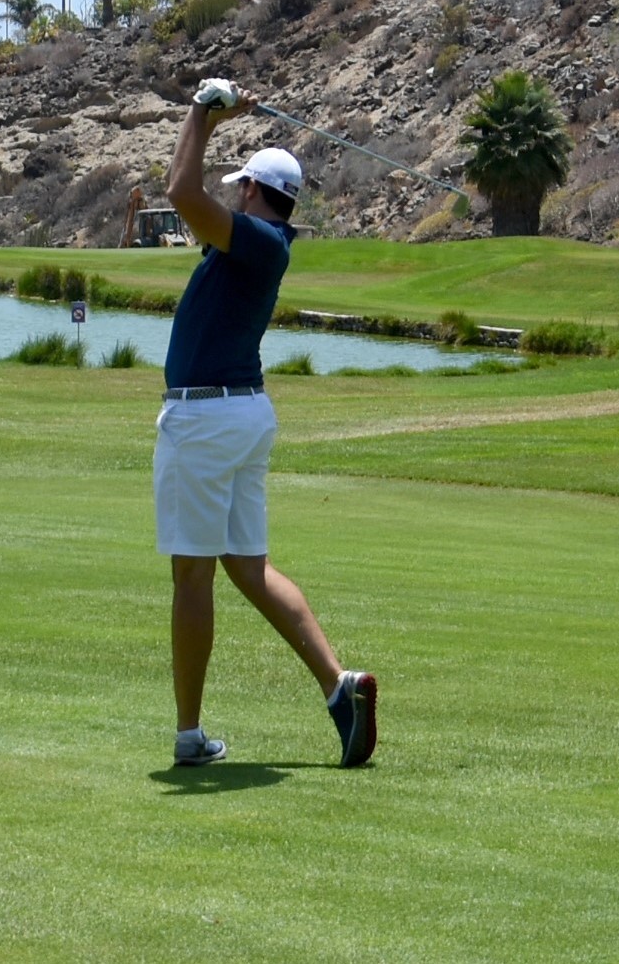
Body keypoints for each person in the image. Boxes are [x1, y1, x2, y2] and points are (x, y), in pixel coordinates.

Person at [154, 79, 375, 769]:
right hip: (241, 413)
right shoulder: (259, 242)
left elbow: (183, 193)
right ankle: (340, 687)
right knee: (248, 568)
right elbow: (197, 202)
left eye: (239, 187)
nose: (232, 195)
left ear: (253, 191)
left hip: (207, 417)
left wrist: (202, 109)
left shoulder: (256, 240)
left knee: (192, 578)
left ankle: (189, 737)